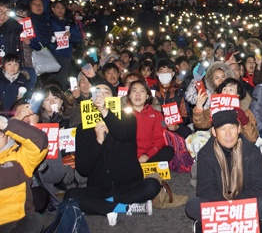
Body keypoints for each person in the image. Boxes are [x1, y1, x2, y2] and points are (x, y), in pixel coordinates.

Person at [63, 86, 161, 226]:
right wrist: (98, 142)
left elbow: (124, 134)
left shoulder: (128, 118)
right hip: (99, 187)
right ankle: (123, 207)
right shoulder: (83, 129)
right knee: (70, 196)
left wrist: (104, 111)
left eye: (106, 93)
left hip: (128, 184)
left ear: (114, 98)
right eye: (98, 93)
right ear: (92, 99)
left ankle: (105, 205)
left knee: (152, 185)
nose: (101, 96)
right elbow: (83, 169)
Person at [185, 109, 262, 233]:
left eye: (232, 128)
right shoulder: (206, 154)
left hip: (242, 202)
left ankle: (218, 224)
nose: (228, 134)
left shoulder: (251, 151)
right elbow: (205, 189)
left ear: (238, 129)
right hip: (219, 204)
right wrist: (228, 206)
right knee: (193, 205)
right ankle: (244, 223)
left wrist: (235, 205)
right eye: (222, 129)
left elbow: (259, 187)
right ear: (214, 132)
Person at [0, 113, 48, 233]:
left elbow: (40, 142)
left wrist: (6, 125)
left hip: (16, 222)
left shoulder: (20, 157)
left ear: (8, 136)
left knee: (35, 220)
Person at [126, 80, 174, 163]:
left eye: (142, 91)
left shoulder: (156, 115)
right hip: (130, 155)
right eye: (134, 91)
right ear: (129, 95)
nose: (138, 94)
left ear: (147, 96)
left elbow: (160, 138)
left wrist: (147, 155)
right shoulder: (123, 115)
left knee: (169, 151)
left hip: (150, 155)